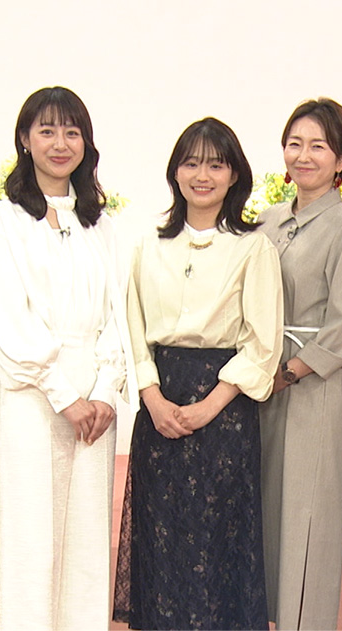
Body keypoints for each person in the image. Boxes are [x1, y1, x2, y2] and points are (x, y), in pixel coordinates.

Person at [113, 117, 284, 630]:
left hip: (225, 411)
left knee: (216, 543)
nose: (202, 175)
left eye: (215, 164)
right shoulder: (148, 246)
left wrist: (208, 407)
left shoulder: (253, 248)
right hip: (159, 406)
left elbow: (263, 341)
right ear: (175, 173)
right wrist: (153, 399)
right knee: (162, 539)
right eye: (191, 163)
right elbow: (131, 328)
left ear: (235, 175)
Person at [0, 86, 133, 630]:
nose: (60, 143)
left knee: (87, 544)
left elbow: (119, 314)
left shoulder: (101, 225)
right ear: (25, 139)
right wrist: (65, 396)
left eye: (72, 132)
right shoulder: (3, 221)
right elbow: (6, 318)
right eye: (46, 130)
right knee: (29, 542)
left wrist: (105, 391)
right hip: (32, 398)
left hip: (95, 402)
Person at [257, 98, 342, 630]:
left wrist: (291, 371)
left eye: (319, 146)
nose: (304, 156)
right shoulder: (267, 221)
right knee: (266, 509)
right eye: (295, 144)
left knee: (308, 516)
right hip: (261, 382)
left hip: (313, 388)